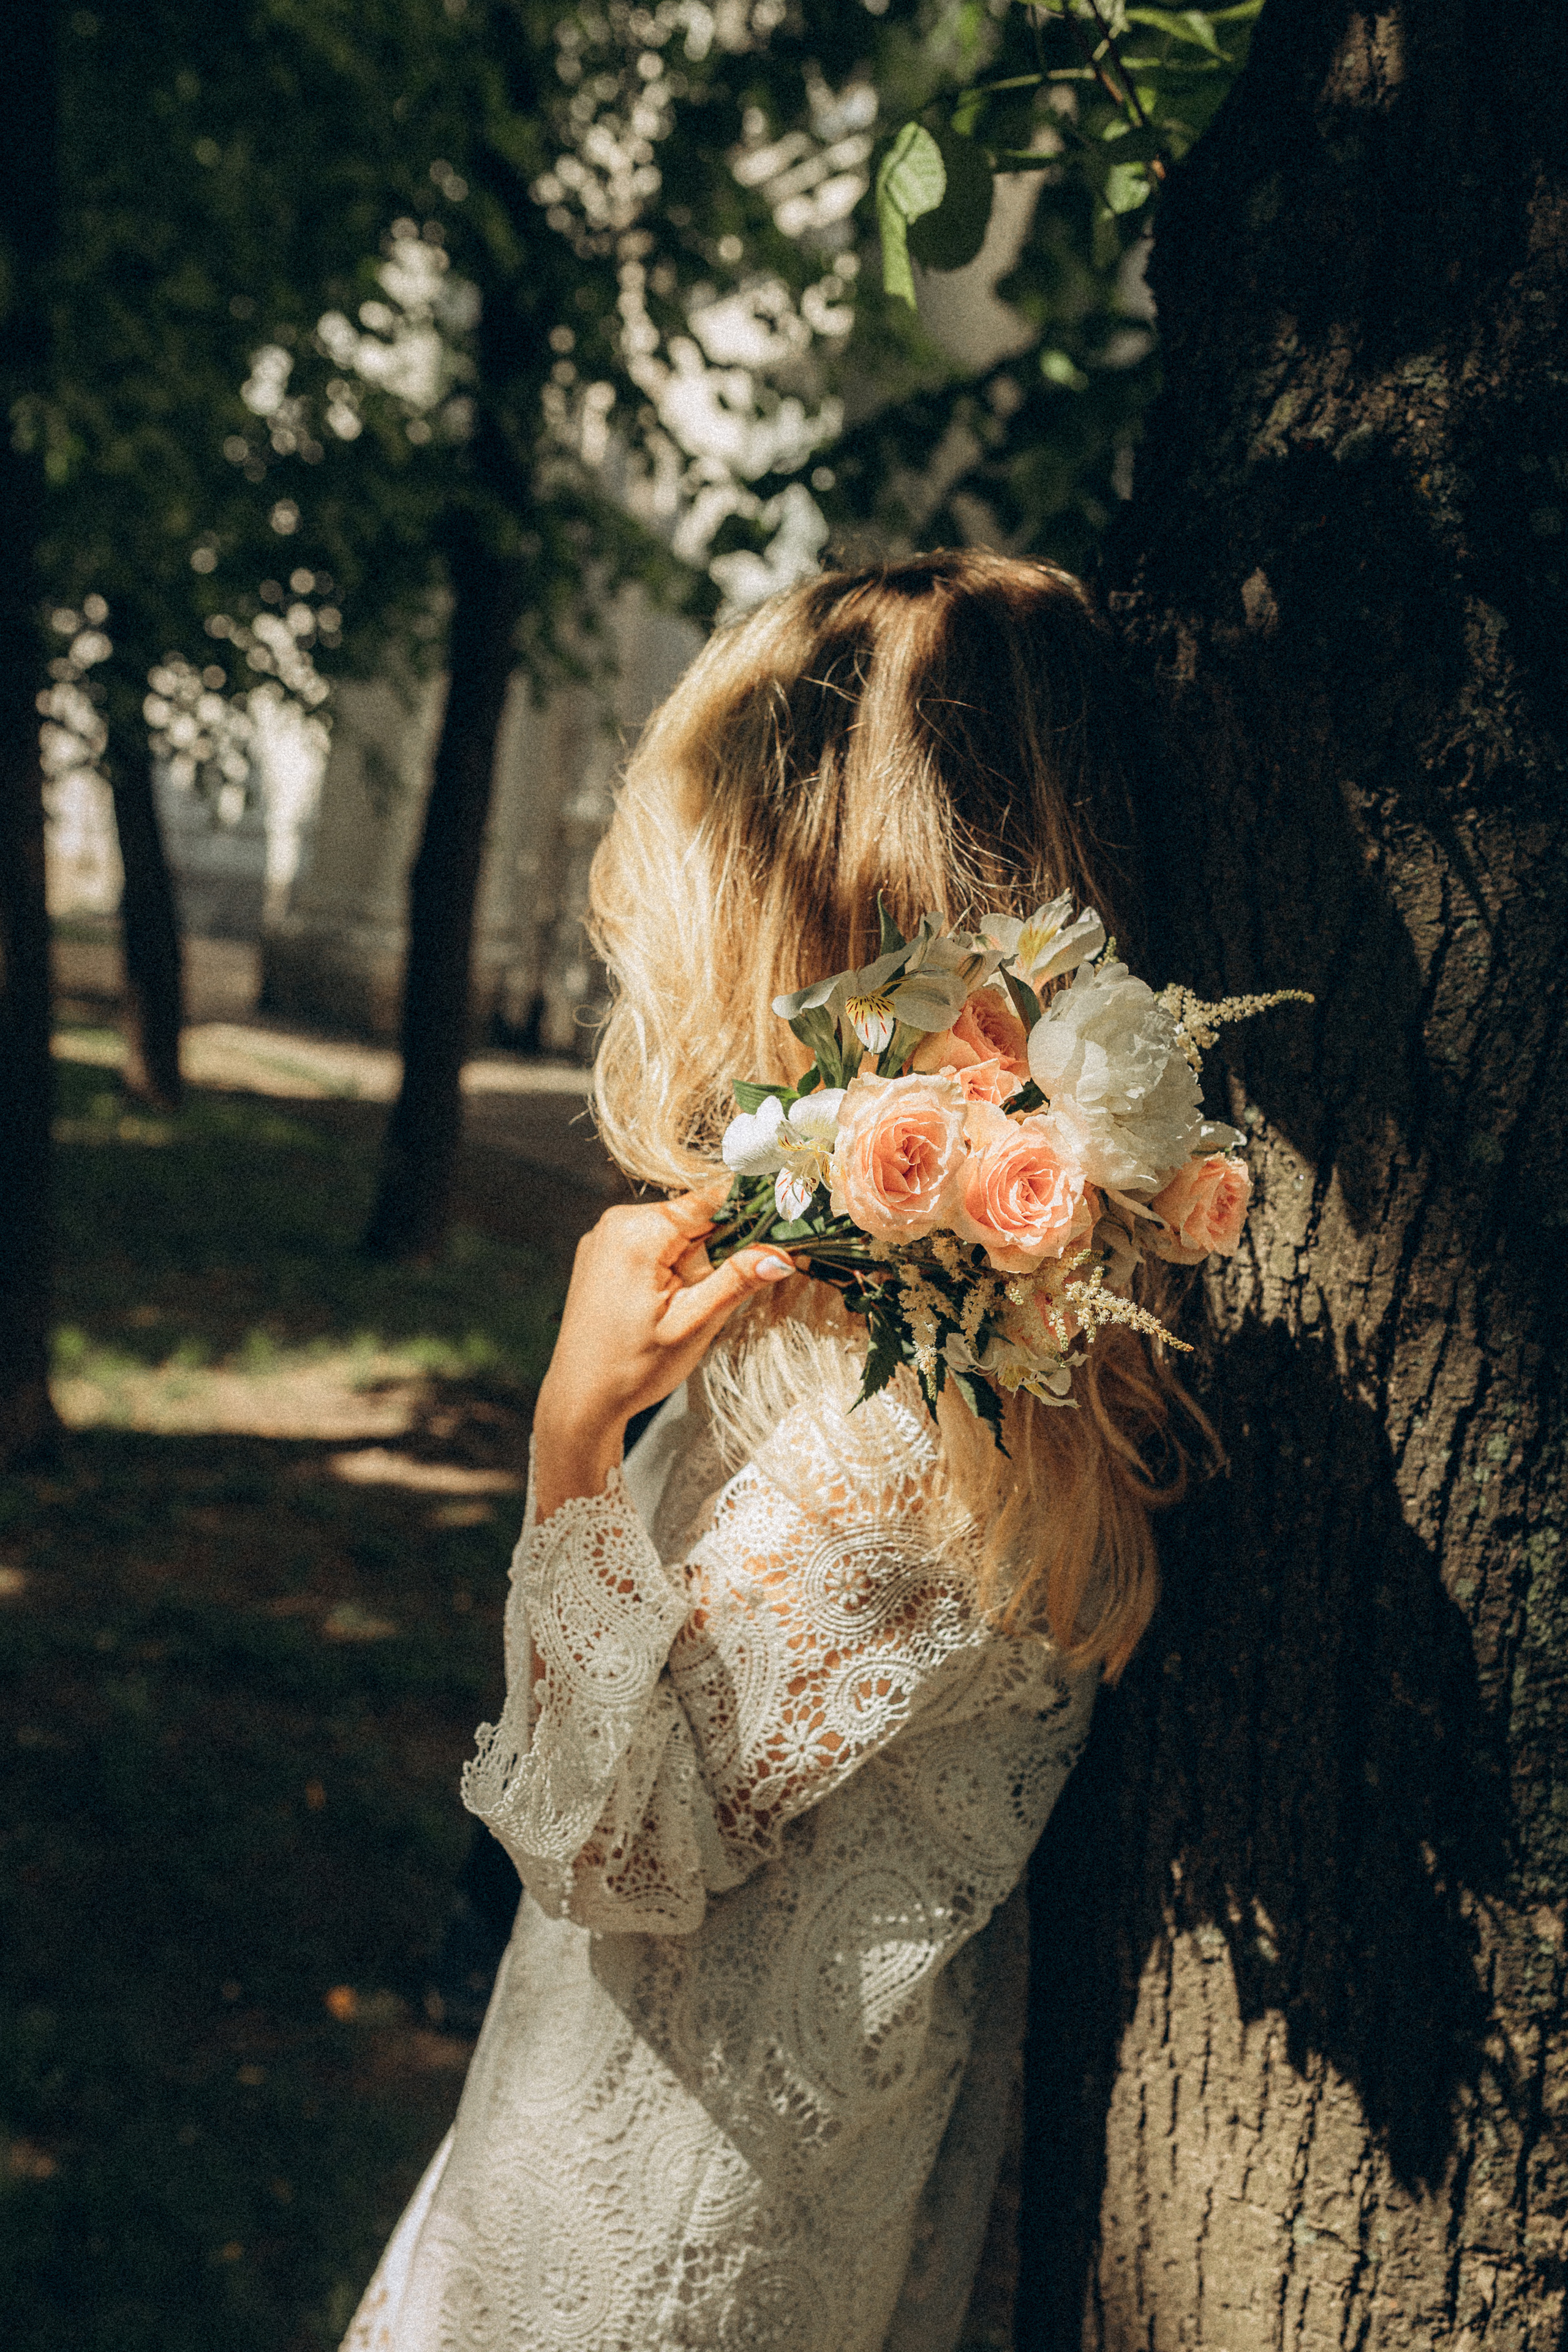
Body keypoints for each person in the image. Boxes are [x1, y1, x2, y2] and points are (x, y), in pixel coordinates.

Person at [343, 549, 1203, 2352]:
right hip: (682, 2153)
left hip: (659, 2234)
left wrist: (574, 1441)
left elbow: (619, 1853)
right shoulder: (939, 1333)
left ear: (805, 908)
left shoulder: (924, 1430)